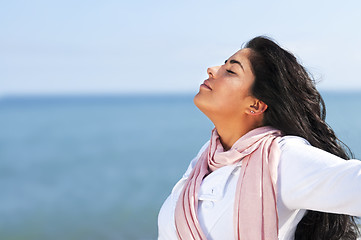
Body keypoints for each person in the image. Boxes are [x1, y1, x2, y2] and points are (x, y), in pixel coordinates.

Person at [157, 36, 361, 240]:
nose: (211, 69)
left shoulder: (281, 158)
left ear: (255, 105)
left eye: (230, 71)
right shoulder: (207, 157)